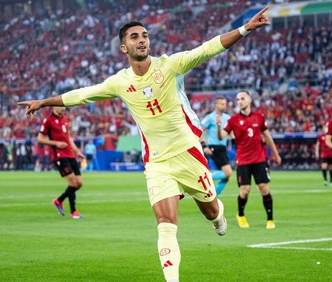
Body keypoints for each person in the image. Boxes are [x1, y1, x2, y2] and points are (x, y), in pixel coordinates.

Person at [19, 6, 271, 281]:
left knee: (210, 209)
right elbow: (82, 94)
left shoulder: (170, 64)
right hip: (157, 162)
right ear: (123, 47)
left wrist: (245, 28)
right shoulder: (119, 82)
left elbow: (208, 49)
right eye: (135, 37)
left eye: (145, 35)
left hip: (188, 152)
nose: (142, 40)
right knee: (165, 224)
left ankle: (218, 216)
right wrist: (44, 102)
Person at [217, 91, 281, 229]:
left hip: (259, 159)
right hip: (243, 160)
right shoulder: (233, 120)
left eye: (243, 98)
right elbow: (222, 136)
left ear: (250, 100)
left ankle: (270, 219)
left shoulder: (259, 117)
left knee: (264, 188)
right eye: (238, 99)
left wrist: (276, 154)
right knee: (245, 190)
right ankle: (240, 215)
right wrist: (218, 126)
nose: (240, 101)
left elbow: (268, 137)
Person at [38, 106, 86, 219]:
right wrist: (56, 144)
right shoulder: (48, 120)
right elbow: (40, 138)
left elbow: (68, 137)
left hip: (70, 154)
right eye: (61, 106)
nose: (64, 108)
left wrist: (77, 151)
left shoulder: (65, 119)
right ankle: (74, 212)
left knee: (79, 183)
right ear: (54, 106)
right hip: (59, 156)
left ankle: (58, 201)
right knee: (73, 183)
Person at [201, 96, 232, 195]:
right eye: (222, 104)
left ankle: (214, 197)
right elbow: (199, 131)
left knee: (226, 177)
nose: (224, 106)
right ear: (216, 105)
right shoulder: (210, 117)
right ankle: (204, 177)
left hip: (223, 148)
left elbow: (231, 133)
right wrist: (204, 146)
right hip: (214, 147)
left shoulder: (227, 118)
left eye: (225, 104)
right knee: (228, 173)